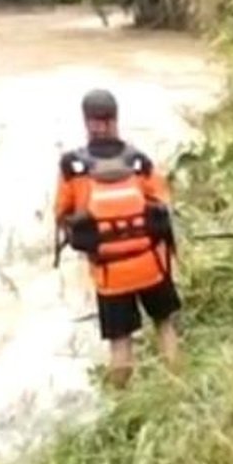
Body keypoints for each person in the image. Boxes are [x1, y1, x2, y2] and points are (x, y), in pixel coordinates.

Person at [54, 88, 182, 388]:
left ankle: (120, 403)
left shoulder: (72, 167)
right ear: (115, 119)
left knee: (120, 344)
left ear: (87, 122)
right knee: (165, 327)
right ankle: (180, 389)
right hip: (152, 266)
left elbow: (62, 213)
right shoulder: (138, 161)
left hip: (111, 276)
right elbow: (162, 200)